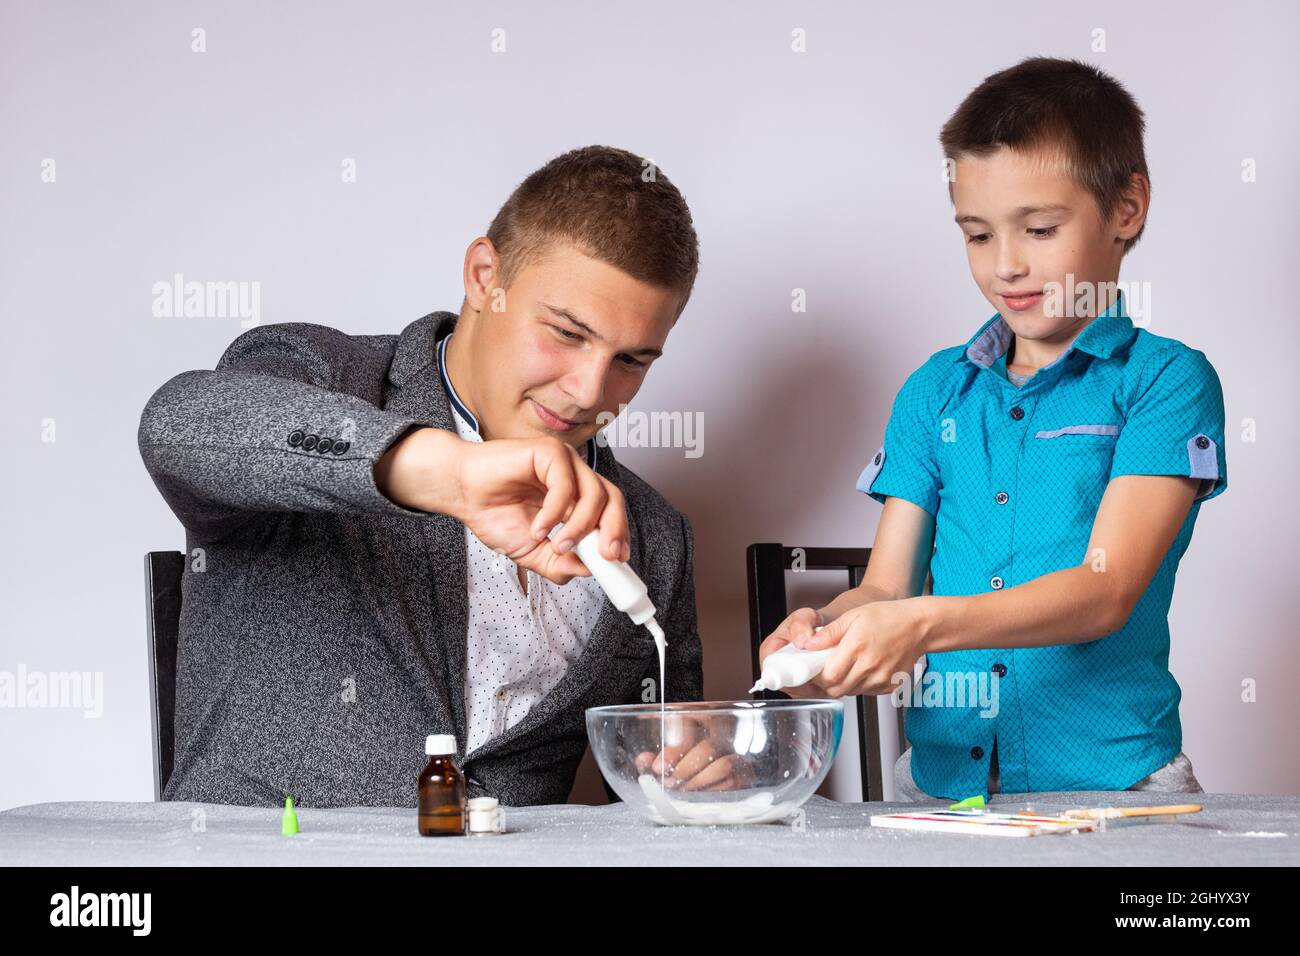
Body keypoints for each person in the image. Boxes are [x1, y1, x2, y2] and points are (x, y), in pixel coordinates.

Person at [138, 145, 704, 807]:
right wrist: (445, 472)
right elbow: (179, 425)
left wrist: (689, 769)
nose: (589, 390)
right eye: (566, 333)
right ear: (483, 275)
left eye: (632, 360)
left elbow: (663, 774)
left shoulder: (654, 535)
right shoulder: (322, 376)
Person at [761, 58, 1224, 801]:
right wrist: (823, 626)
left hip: (1115, 788)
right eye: (977, 235)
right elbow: (886, 584)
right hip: (940, 787)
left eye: (1039, 229)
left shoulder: (1165, 381)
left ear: (1127, 207)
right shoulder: (933, 392)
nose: (1006, 265)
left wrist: (923, 626)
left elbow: (1104, 593)